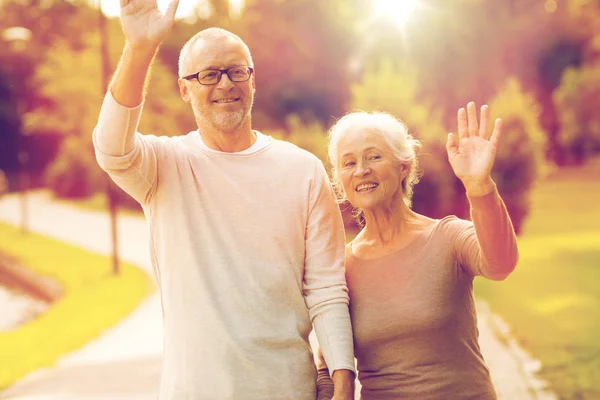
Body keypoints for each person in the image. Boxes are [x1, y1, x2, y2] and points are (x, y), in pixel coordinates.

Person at [92, 1, 355, 399]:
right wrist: (140, 47)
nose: (225, 85)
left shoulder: (303, 170)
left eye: (236, 72)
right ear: (185, 88)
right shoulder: (164, 166)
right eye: (209, 75)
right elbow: (111, 148)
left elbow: (326, 288)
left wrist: (342, 379)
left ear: (253, 79)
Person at [316, 103, 519, 400]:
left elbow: (501, 264)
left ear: (404, 166)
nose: (361, 170)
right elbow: (329, 358)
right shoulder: (340, 267)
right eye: (348, 163)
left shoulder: (446, 237)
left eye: (374, 156)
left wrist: (480, 186)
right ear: (341, 180)